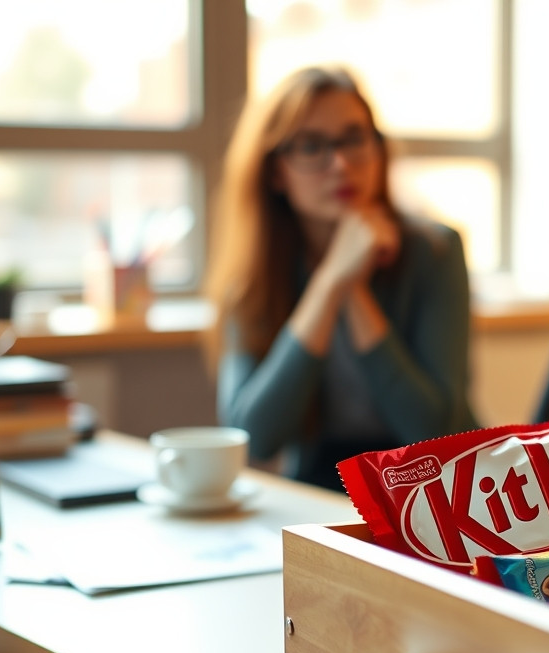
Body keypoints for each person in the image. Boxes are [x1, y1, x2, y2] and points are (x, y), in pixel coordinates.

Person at [202, 66, 479, 491]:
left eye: (353, 138)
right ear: (276, 171)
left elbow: (434, 432)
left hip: (446, 488)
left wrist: (354, 291)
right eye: (312, 145)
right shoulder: (255, 277)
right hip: (324, 491)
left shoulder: (436, 251)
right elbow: (254, 435)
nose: (341, 163)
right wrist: (331, 281)